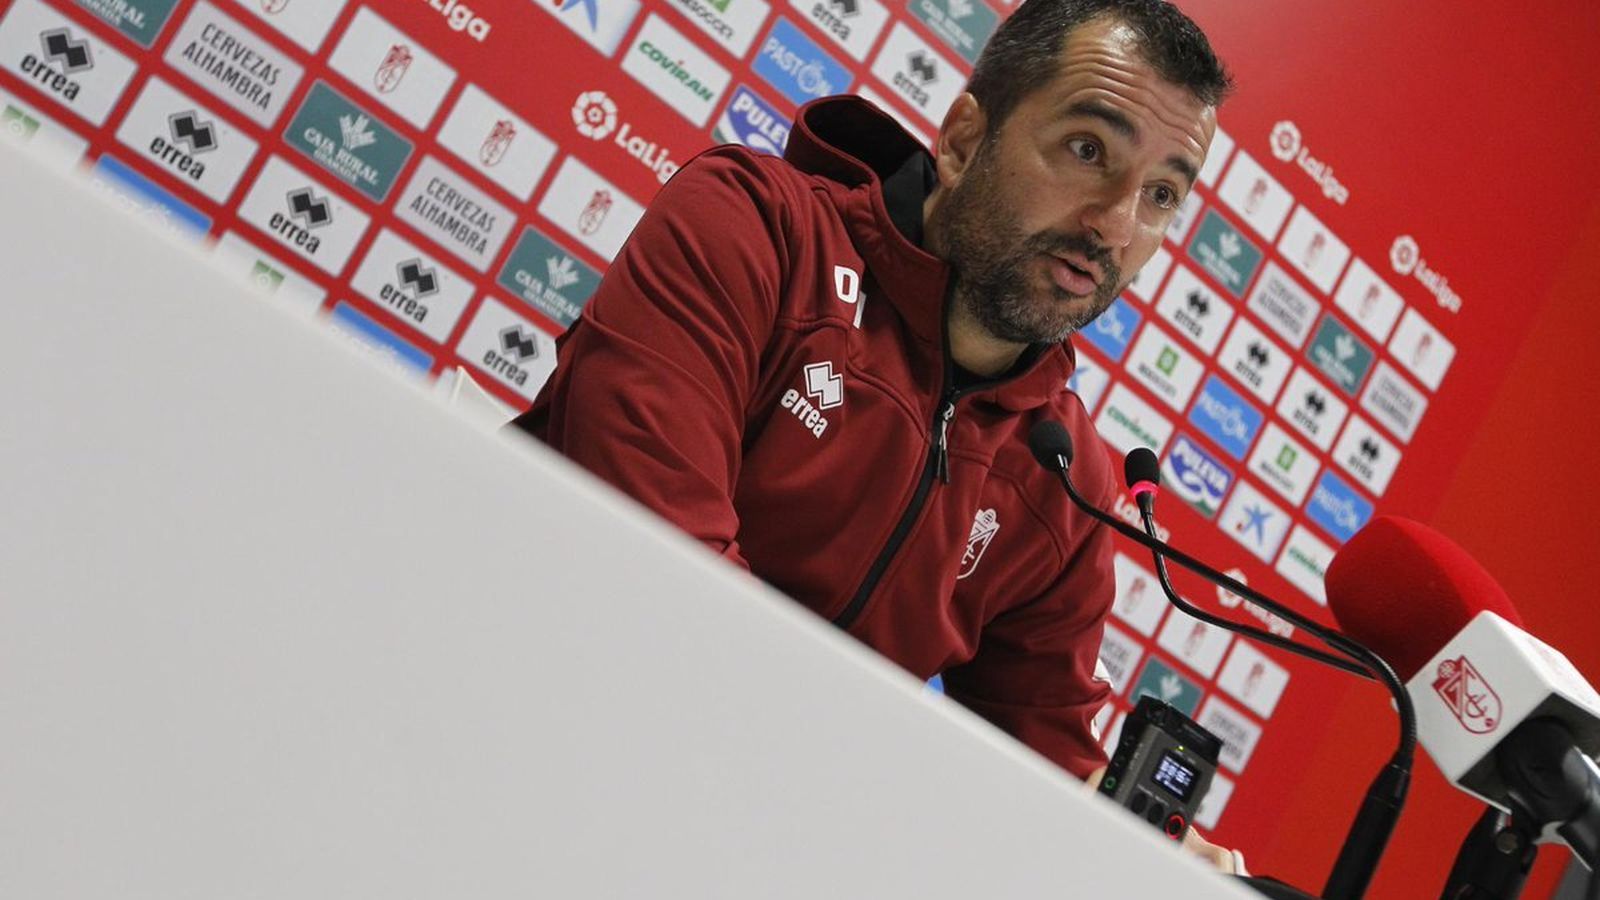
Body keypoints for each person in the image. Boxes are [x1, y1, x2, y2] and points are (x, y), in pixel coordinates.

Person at [514, 0, 1236, 870]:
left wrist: (1165, 859)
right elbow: (658, 572)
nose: (1117, 225)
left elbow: (1046, 767)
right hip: (530, 747)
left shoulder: (1066, 475)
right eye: (1089, 151)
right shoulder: (756, 228)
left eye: (1160, 195)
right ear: (965, 138)